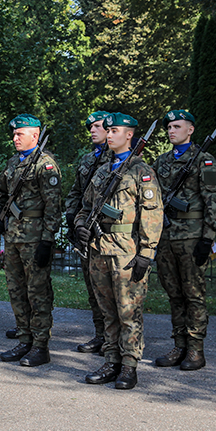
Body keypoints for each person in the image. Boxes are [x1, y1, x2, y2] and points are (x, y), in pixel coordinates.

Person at [76, 113, 162, 390]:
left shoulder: (141, 171)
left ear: (129, 135)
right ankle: (111, 361)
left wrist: (147, 253)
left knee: (128, 312)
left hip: (127, 251)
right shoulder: (102, 171)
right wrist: (80, 227)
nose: (109, 135)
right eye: (107, 130)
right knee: (108, 311)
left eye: (115, 131)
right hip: (99, 250)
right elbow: (85, 208)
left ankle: (129, 365)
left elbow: (152, 215)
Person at [152, 110, 216, 371]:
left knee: (194, 294)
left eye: (177, 126)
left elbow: (213, 201)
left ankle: (195, 349)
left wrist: (208, 238)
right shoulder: (161, 162)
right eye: (169, 126)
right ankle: (179, 344)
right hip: (167, 237)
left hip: (192, 238)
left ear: (190, 130)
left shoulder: (205, 161)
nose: (172, 130)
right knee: (174, 294)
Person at [0, 114, 62, 367]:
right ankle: (24, 339)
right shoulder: (13, 162)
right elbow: (1, 192)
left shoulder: (45, 165)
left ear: (35, 135)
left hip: (34, 238)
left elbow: (53, 206)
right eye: (14, 134)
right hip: (14, 235)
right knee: (16, 290)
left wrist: (47, 240)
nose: (15, 138)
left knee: (38, 292)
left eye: (20, 134)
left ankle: (40, 346)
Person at [65, 111, 112, 353]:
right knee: (93, 287)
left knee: (110, 290)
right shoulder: (86, 160)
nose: (92, 130)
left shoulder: (120, 158)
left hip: (108, 233)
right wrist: (72, 216)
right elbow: (76, 191)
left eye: (96, 126)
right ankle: (100, 334)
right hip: (86, 232)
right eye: (90, 127)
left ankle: (115, 339)